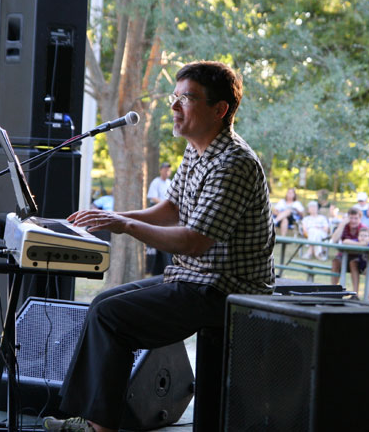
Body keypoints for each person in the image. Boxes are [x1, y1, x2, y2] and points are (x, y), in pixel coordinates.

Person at [45, 61, 275, 432]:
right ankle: (90, 419)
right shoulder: (197, 150)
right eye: (176, 97)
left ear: (220, 110)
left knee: (111, 317)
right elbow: (172, 209)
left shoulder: (234, 162)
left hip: (226, 290)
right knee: (103, 303)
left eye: (187, 99)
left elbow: (195, 241)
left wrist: (122, 224)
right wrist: (113, 216)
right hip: (194, 278)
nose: (174, 106)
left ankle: (97, 428)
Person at [146, 162, 173, 274]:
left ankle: (162, 268)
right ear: (161, 170)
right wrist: (164, 203)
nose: (167, 172)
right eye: (165, 170)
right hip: (158, 213)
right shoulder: (156, 182)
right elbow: (152, 197)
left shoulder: (170, 183)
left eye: (168, 170)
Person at [329, 207, 366, 290]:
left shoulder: (363, 228)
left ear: (360, 218)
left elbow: (365, 243)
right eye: (351, 218)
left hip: (358, 256)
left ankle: (355, 294)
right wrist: (342, 224)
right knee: (336, 261)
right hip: (343, 255)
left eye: (356, 218)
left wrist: (347, 242)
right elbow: (334, 240)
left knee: (354, 263)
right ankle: (334, 290)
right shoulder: (344, 227)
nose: (353, 221)